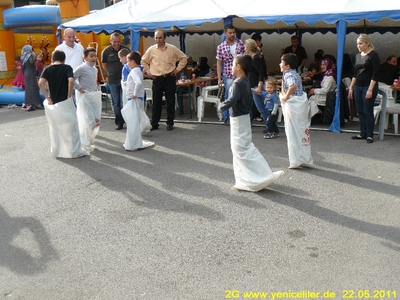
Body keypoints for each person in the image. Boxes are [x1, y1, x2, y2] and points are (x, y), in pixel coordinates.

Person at [218, 54, 283, 192]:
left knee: (241, 149)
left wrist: (221, 106)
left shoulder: (237, 83)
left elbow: (233, 99)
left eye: (233, 64)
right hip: (244, 117)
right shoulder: (245, 81)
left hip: (238, 119)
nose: (230, 67)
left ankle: (260, 175)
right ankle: (244, 179)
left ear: (238, 67)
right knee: (243, 148)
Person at [39, 50, 88, 158]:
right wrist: (69, 94)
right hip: (65, 101)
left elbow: (41, 82)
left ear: (52, 59)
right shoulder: (67, 68)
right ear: (64, 59)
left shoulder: (48, 69)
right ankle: (72, 150)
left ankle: (58, 150)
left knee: (56, 127)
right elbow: (71, 80)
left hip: (54, 101)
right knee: (71, 126)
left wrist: (48, 98)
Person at [141, 27, 187, 131]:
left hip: (169, 77)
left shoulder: (172, 48)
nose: (158, 40)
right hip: (157, 78)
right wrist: (148, 72)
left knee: (170, 101)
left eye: (160, 38)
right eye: (156, 38)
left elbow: (183, 57)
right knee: (156, 102)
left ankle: (170, 122)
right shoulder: (151, 50)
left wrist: (177, 70)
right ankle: (155, 123)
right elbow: (143, 61)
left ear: (165, 38)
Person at [279, 53, 313, 168]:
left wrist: (285, 97)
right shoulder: (295, 74)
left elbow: (292, 86)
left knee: (292, 132)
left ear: (287, 66)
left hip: (293, 105)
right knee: (301, 130)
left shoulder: (288, 74)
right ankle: (304, 158)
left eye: (281, 62)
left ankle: (296, 159)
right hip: (300, 105)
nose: (280, 64)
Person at [348, 34, 380, 144]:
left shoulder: (373, 55)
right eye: (357, 44)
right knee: (360, 111)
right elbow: (355, 73)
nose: (359, 46)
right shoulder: (357, 56)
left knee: (368, 111)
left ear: (367, 43)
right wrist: (351, 87)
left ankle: (370, 135)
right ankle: (362, 132)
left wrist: (370, 89)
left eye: (361, 43)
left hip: (368, 86)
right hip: (358, 86)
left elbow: (375, 74)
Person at [121, 51, 154, 151]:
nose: (127, 64)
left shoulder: (134, 71)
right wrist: (127, 83)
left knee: (132, 121)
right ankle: (134, 142)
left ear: (133, 61)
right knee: (134, 120)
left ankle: (133, 143)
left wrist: (134, 94)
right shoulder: (138, 71)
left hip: (134, 99)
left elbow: (138, 83)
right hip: (138, 99)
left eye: (128, 61)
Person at [73, 47, 102, 152]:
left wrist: (96, 87)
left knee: (94, 120)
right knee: (87, 120)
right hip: (84, 98)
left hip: (93, 97)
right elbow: (71, 78)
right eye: (91, 56)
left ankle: (88, 141)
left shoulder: (95, 69)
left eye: (95, 56)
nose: (94, 58)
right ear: (85, 57)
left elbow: (93, 81)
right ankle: (84, 143)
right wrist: (79, 88)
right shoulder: (82, 68)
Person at [216, 24, 245, 125]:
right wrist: (219, 79)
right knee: (229, 96)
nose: (232, 34)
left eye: (234, 32)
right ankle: (226, 117)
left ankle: (238, 115)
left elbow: (245, 59)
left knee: (240, 95)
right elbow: (219, 63)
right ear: (225, 33)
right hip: (228, 75)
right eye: (230, 33)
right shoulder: (221, 47)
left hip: (240, 74)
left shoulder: (241, 44)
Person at [101, 32, 130, 130]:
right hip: (113, 80)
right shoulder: (106, 51)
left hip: (125, 80)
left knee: (124, 101)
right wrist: (109, 73)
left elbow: (130, 63)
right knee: (116, 103)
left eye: (118, 42)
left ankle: (128, 120)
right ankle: (119, 122)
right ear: (110, 41)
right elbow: (104, 65)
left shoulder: (125, 49)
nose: (116, 44)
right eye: (114, 42)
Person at [244, 39, 268, 129]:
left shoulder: (255, 59)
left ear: (248, 48)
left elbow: (261, 73)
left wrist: (259, 86)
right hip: (252, 85)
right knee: (252, 106)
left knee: (260, 107)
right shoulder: (255, 58)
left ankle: (269, 126)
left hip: (255, 85)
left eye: (246, 48)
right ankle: (248, 124)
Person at [21, 45, 42, 111]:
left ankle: (28, 102)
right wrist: (34, 56)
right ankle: (35, 103)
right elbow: (32, 64)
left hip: (26, 73)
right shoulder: (30, 56)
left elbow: (22, 67)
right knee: (34, 87)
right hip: (31, 72)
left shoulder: (23, 57)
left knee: (28, 88)